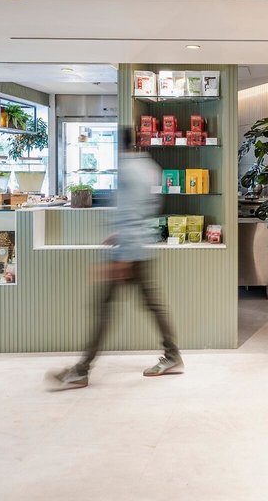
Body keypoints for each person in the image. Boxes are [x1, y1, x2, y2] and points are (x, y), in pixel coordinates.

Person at [47, 128, 183, 390]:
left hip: (129, 253)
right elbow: (146, 209)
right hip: (139, 247)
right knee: (150, 305)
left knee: (104, 309)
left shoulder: (128, 171)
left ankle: (81, 370)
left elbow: (131, 213)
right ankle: (172, 354)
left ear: (118, 146)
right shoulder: (149, 166)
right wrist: (121, 235)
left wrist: (123, 259)